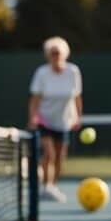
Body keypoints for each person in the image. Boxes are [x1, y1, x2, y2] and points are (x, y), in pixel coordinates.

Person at [27, 36, 83, 202]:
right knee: (49, 154)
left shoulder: (73, 71)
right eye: (52, 53)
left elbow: (77, 97)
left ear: (64, 54)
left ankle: (52, 186)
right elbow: (35, 99)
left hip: (64, 121)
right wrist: (32, 118)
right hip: (45, 119)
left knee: (60, 157)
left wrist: (78, 117)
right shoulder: (42, 73)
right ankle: (45, 187)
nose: (55, 56)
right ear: (47, 55)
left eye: (58, 52)